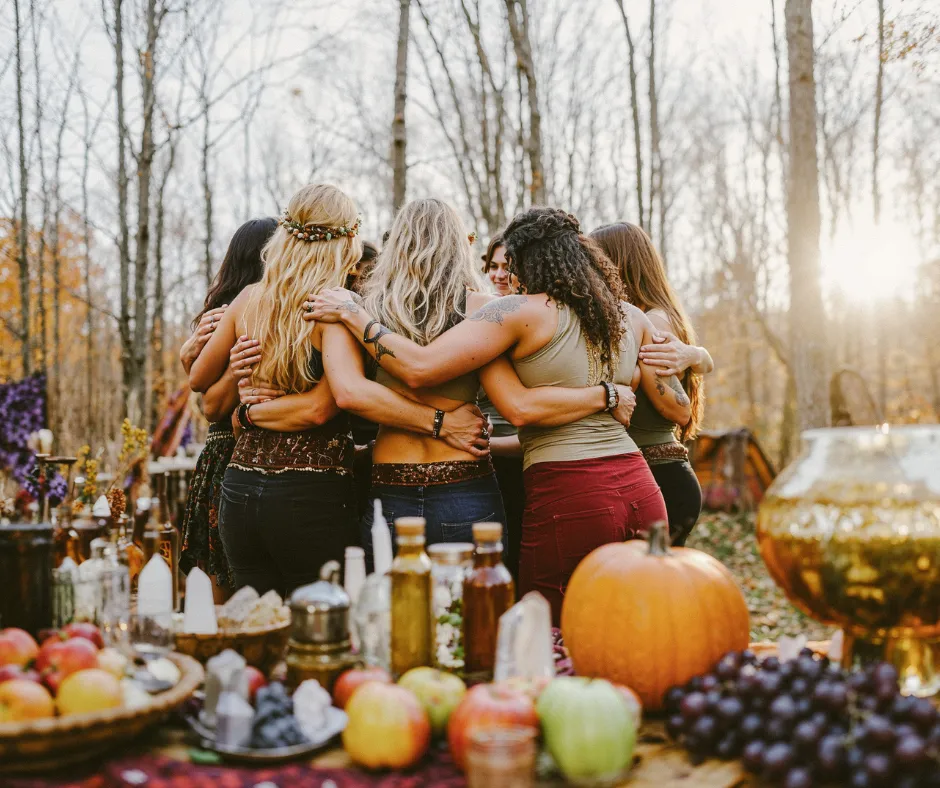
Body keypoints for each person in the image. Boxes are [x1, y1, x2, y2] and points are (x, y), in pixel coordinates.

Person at [306, 207, 688, 622]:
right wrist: (679, 365)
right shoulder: (622, 316)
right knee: (640, 618)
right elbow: (670, 403)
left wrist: (356, 315)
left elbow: (415, 376)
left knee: (534, 624)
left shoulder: (496, 314)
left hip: (555, 490)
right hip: (629, 486)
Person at [189, 184, 488, 594]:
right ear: (348, 240)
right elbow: (324, 407)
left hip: (238, 490)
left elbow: (198, 382)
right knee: (320, 622)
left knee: (255, 620)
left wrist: (242, 409)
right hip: (307, 495)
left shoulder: (249, 297)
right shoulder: (332, 307)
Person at [591, 222, 712, 545]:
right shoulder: (647, 315)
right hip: (652, 472)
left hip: (660, 475)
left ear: (618, 264)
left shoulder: (653, 321)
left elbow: (675, 408)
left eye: (595, 261)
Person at [177, 217, 277, 594]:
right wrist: (231, 368)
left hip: (251, 445)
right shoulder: (224, 315)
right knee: (229, 582)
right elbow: (211, 405)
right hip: (230, 452)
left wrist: (188, 360)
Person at [477, 234, 525, 580]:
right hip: (481, 462)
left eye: (507, 267)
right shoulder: (479, 321)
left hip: (521, 460)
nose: (498, 274)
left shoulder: (532, 322)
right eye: (492, 266)